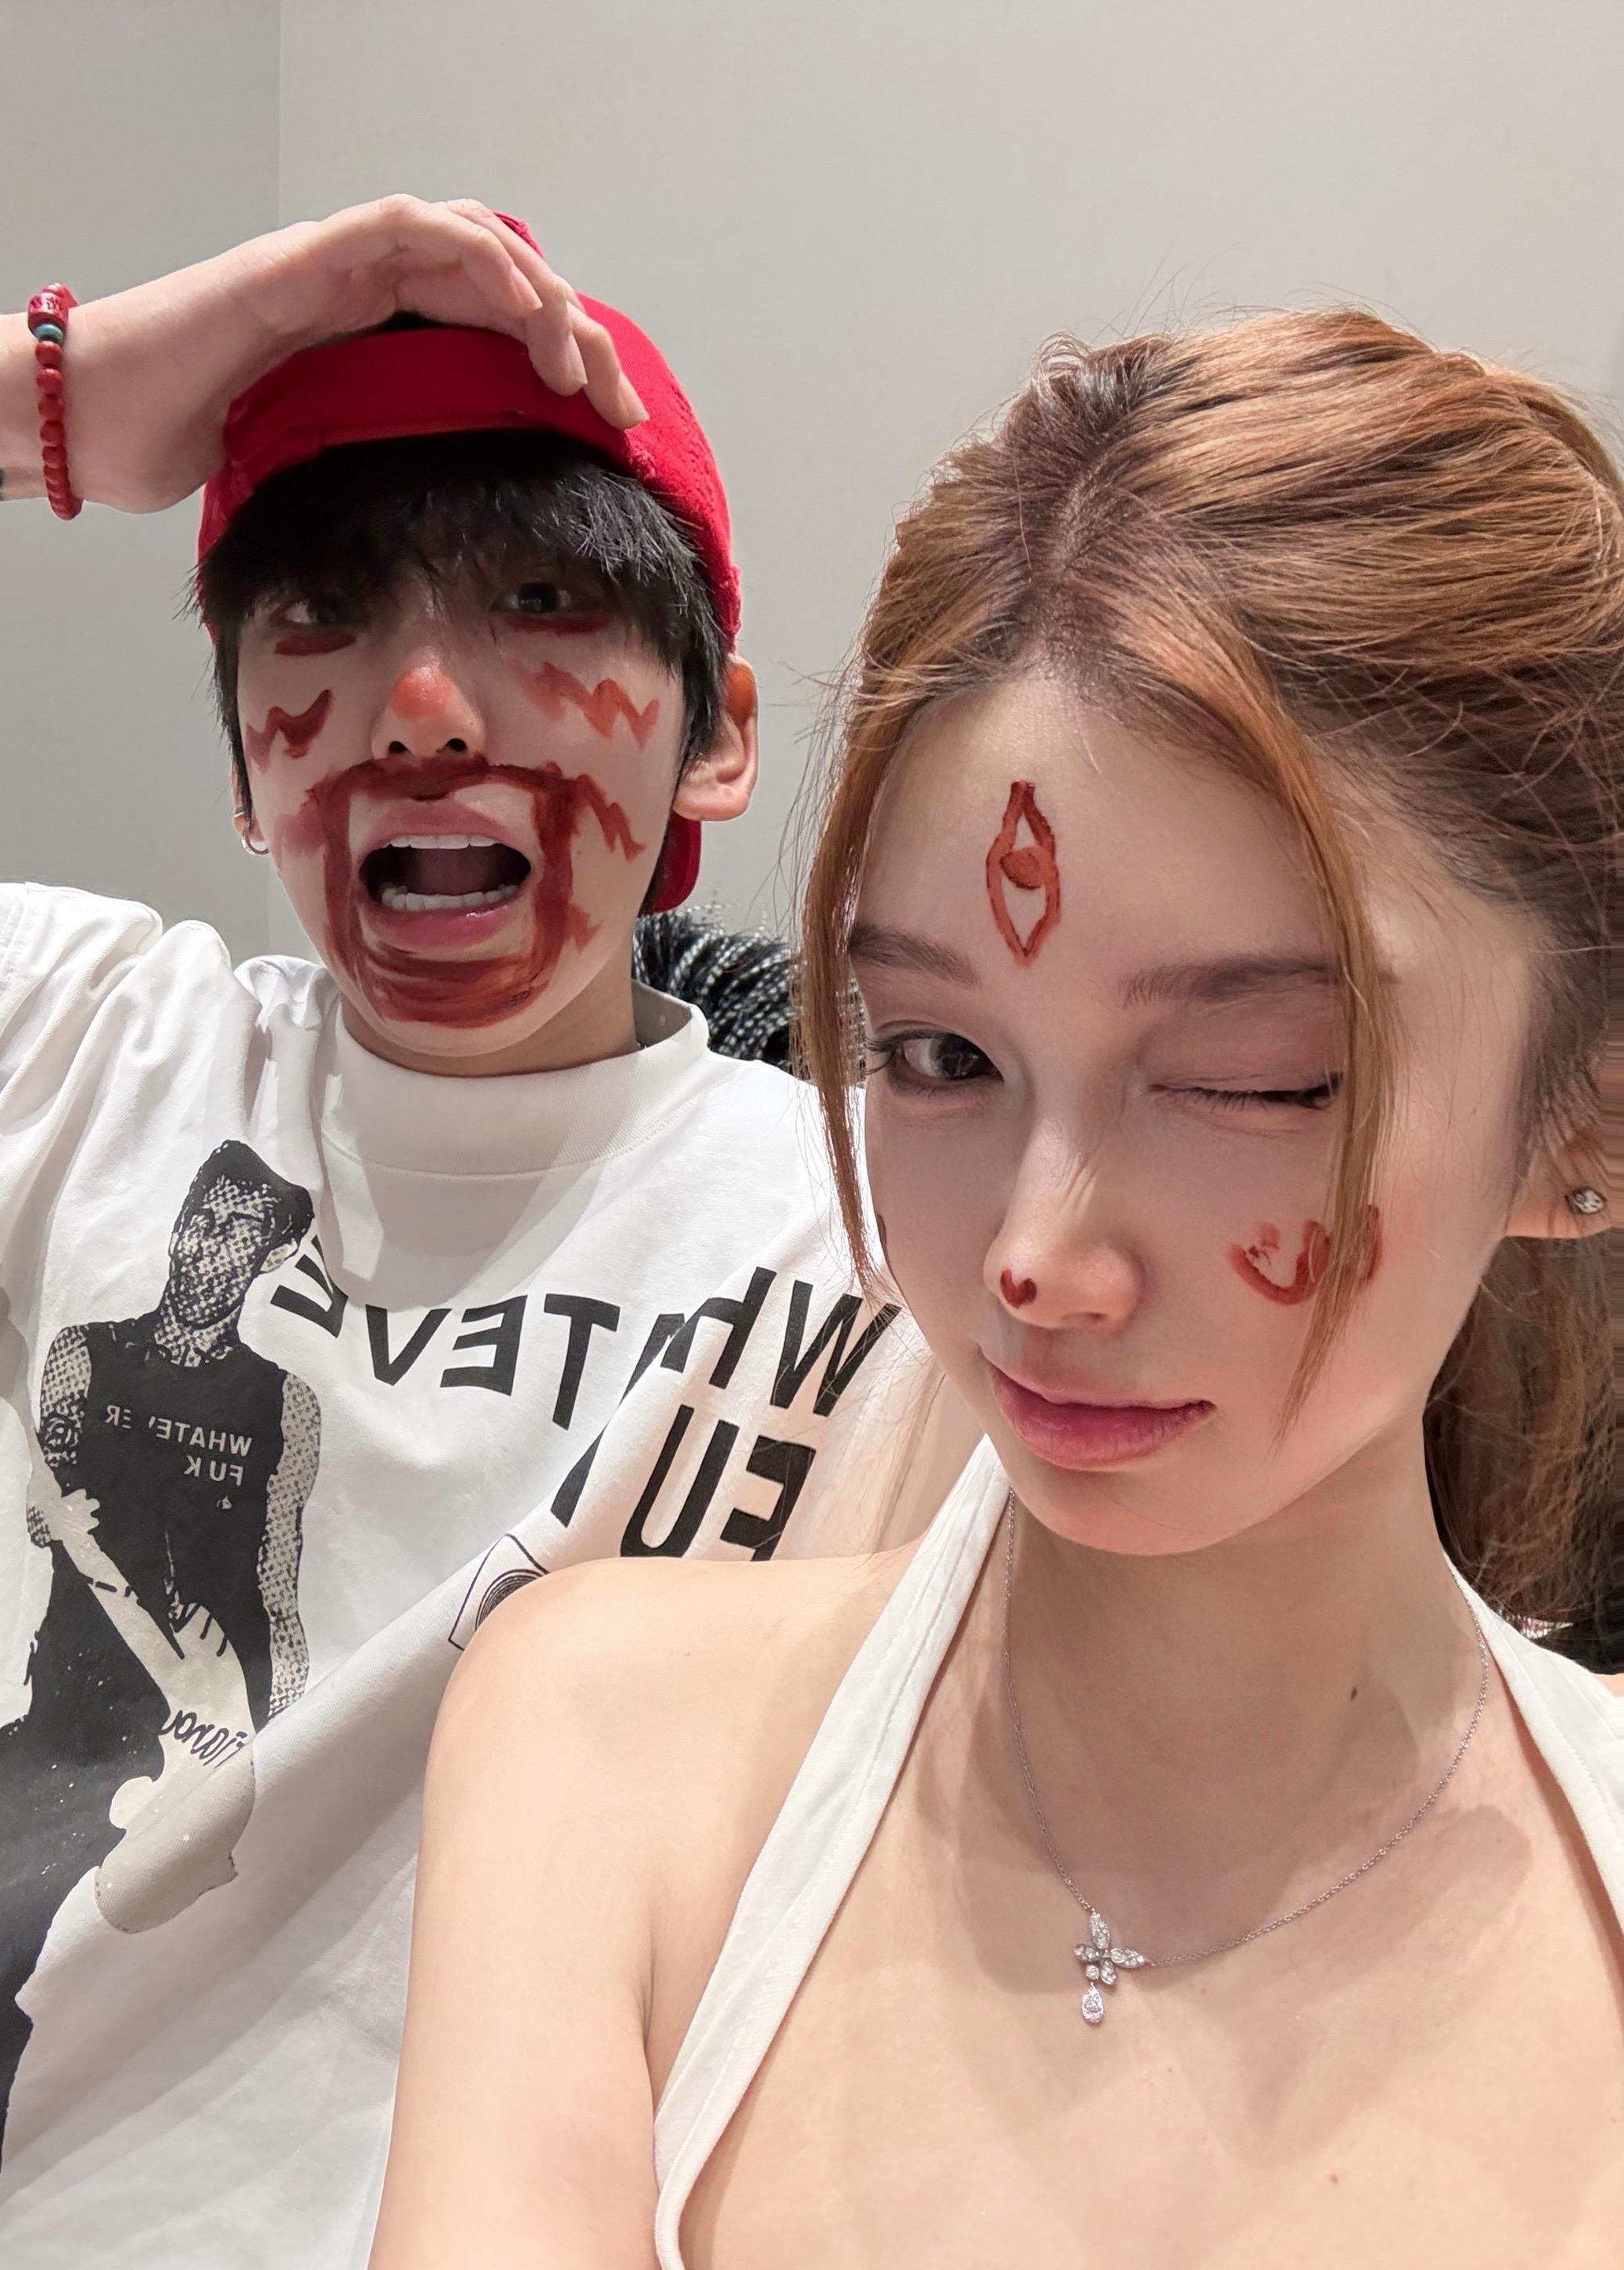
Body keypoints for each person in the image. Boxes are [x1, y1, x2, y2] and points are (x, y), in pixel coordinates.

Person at [374, 307, 1622, 2266]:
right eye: (938, 1055)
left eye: (1255, 1080)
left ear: (1586, 1108)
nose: (1037, 1253)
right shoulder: (605, 1747)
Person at [0, 199, 969, 2268]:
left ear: (717, 736)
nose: (416, 703)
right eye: (320, 612)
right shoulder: (46, 1042)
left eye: (540, 597)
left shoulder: (889, 1228)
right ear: (243, 761)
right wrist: (54, 400)